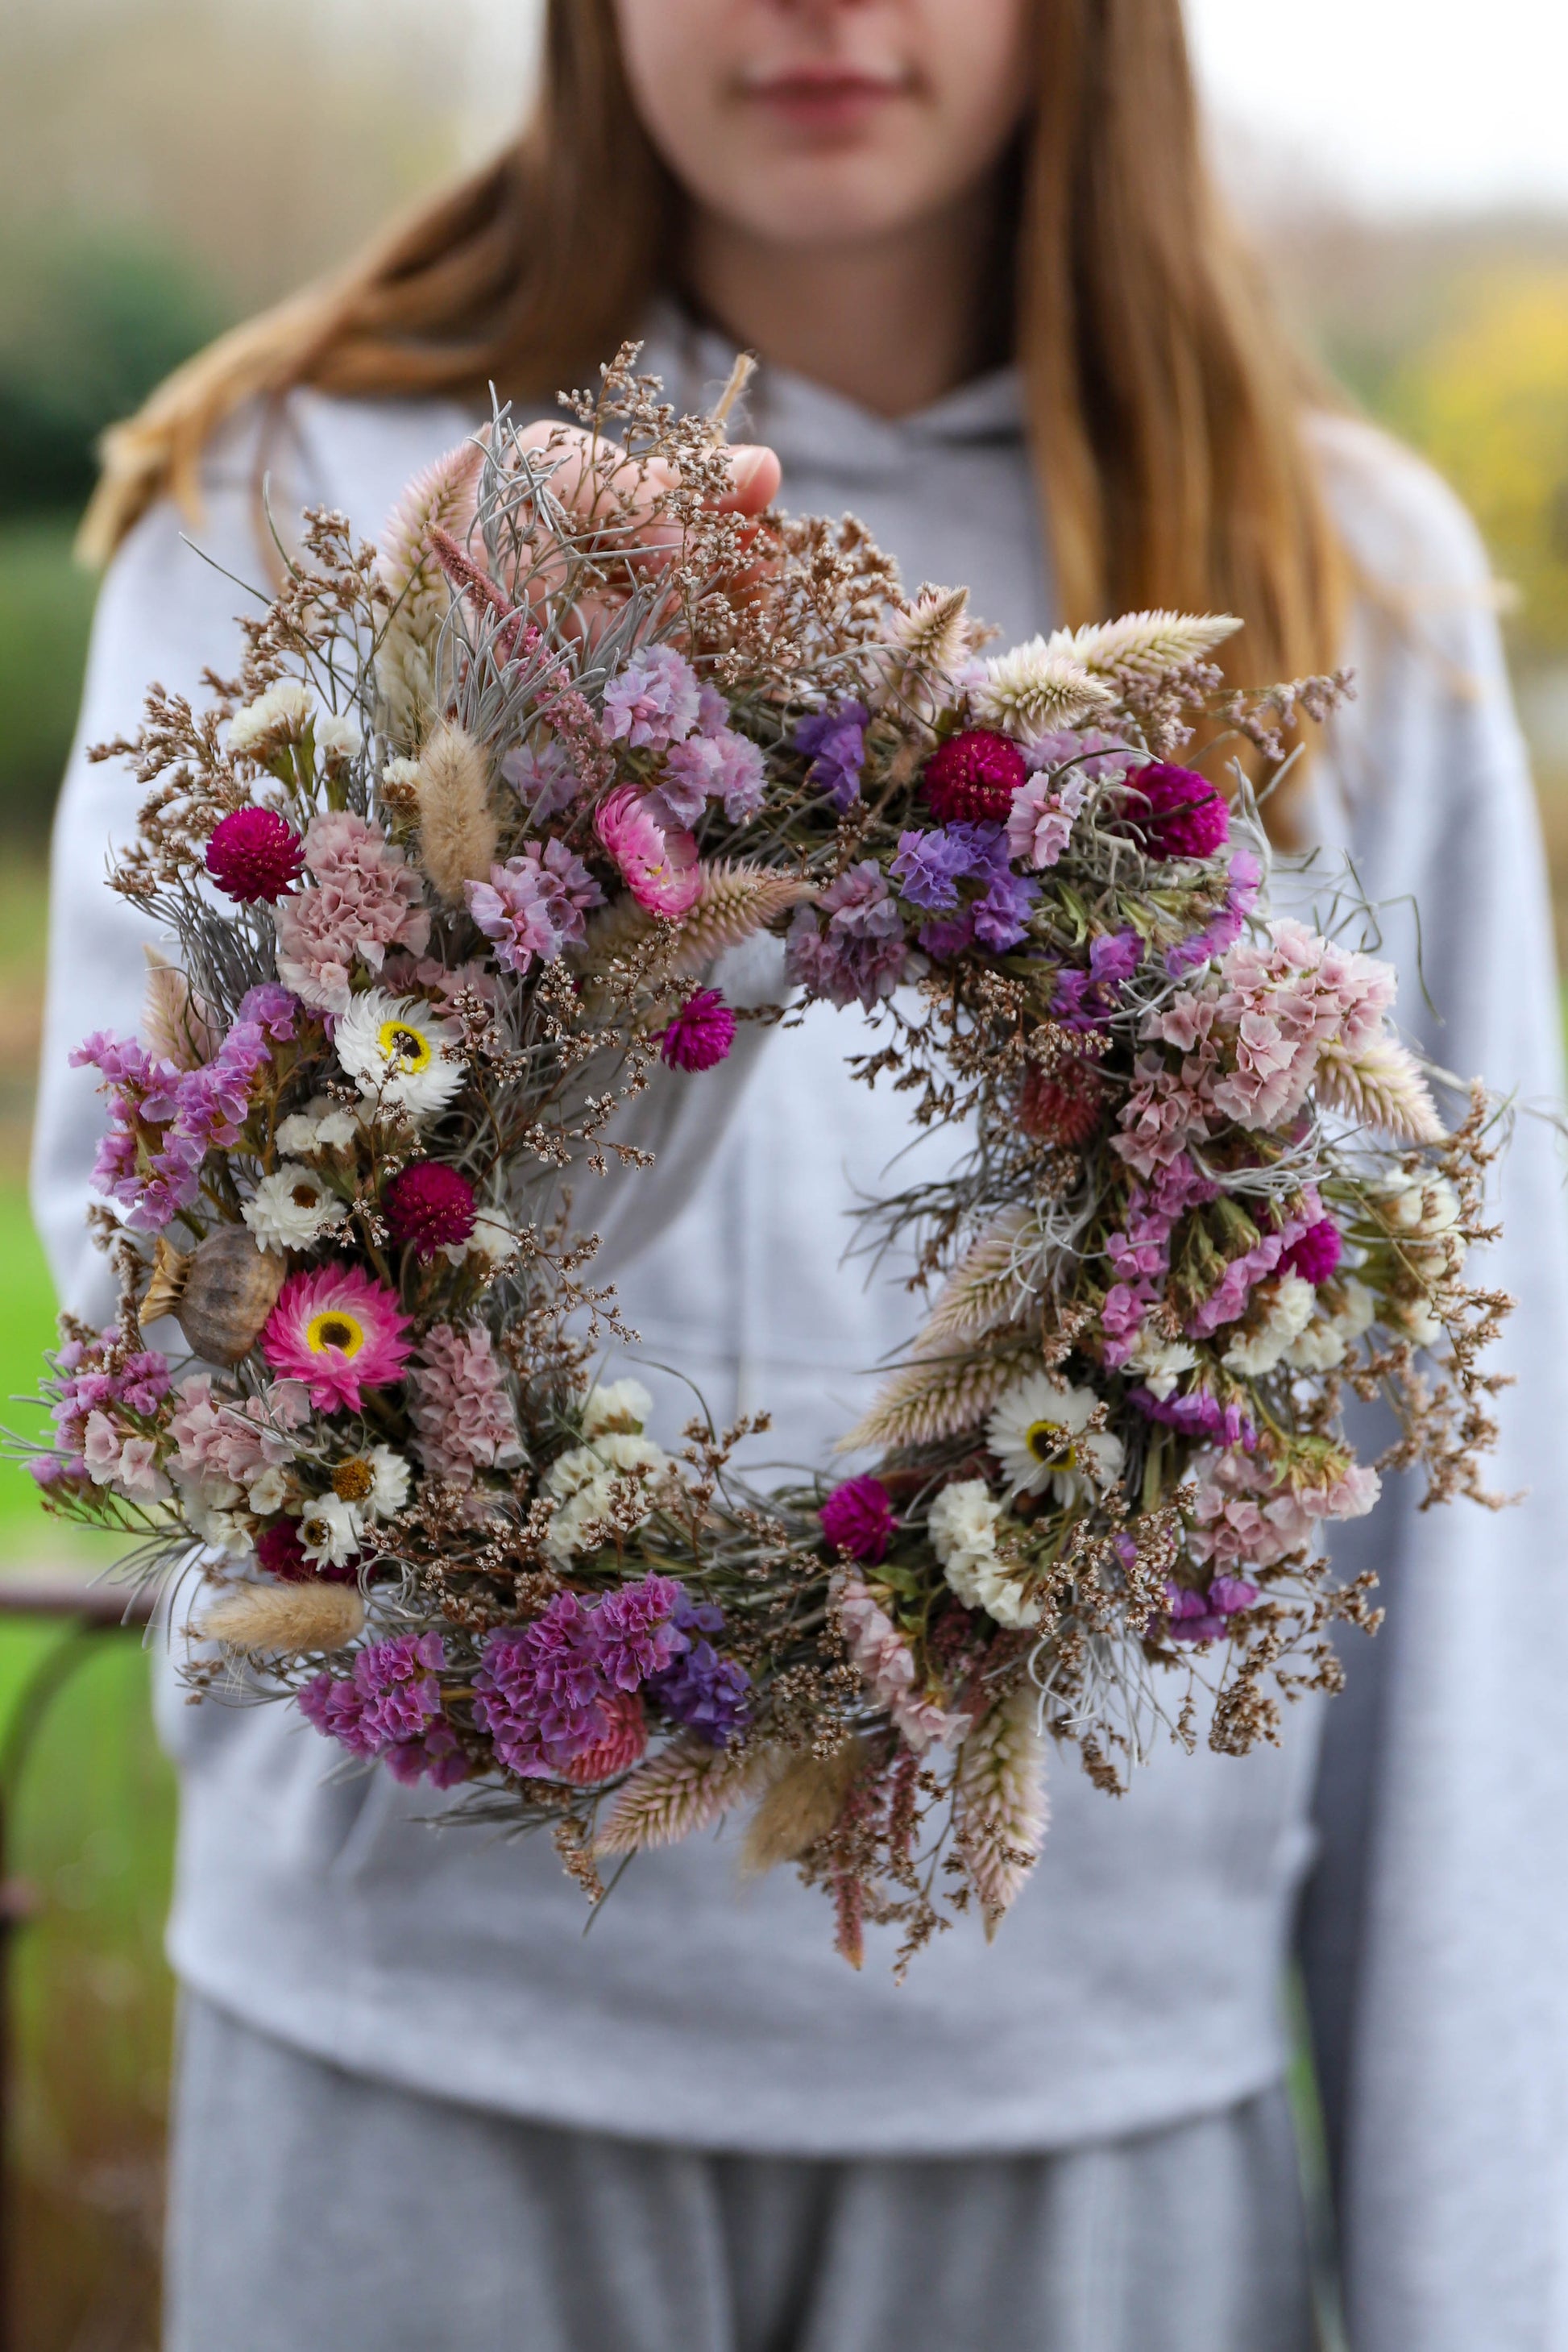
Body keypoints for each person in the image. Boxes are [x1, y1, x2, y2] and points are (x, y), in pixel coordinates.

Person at [34, 3, 1568, 2347]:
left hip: (1072, 2120)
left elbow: (1472, 1513)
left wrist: (1485, 2287)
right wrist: (554, 817)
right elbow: (184, 1325)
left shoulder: (1332, 564)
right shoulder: (306, 485)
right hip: (423, 2073)